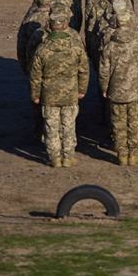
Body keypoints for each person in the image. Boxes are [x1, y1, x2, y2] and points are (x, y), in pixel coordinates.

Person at [30, 15, 89, 167]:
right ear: (65, 25)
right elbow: (84, 70)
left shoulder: (42, 49)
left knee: (51, 127)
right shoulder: (75, 47)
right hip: (70, 92)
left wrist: (35, 95)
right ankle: (68, 157)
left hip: (49, 94)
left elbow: (35, 76)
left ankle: (54, 158)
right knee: (69, 126)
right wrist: (82, 90)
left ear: (50, 26)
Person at [98, 8, 138, 165]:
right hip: (136, 90)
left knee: (118, 124)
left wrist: (104, 88)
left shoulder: (110, 46)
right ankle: (133, 153)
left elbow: (104, 71)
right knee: (135, 123)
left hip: (116, 90)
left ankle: (121, 154)